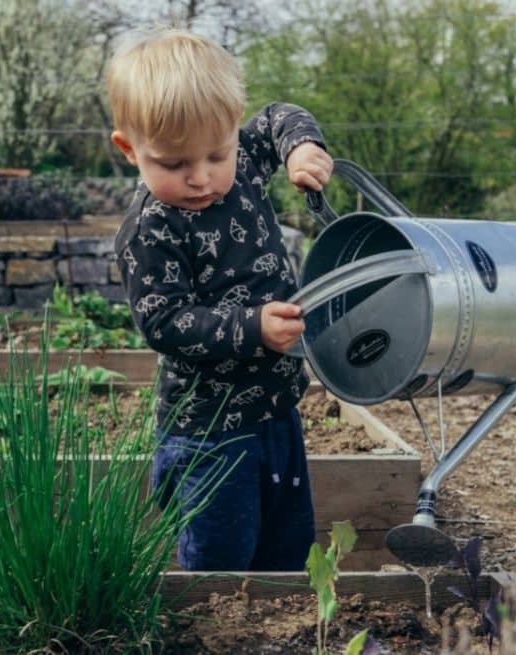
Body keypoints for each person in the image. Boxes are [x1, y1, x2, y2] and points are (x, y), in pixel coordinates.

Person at [108, 26, 333, 571]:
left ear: (233, 130)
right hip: (209, 430)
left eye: (217, 153)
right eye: (173, 164)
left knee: (288, 543)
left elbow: (280, 114)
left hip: (277, 409)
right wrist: (252, 327)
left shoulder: (247, 161)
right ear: (129, 149)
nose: (201, 178)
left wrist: (302, 147)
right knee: (220, 556)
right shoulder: (150, 231)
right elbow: (165, 322)